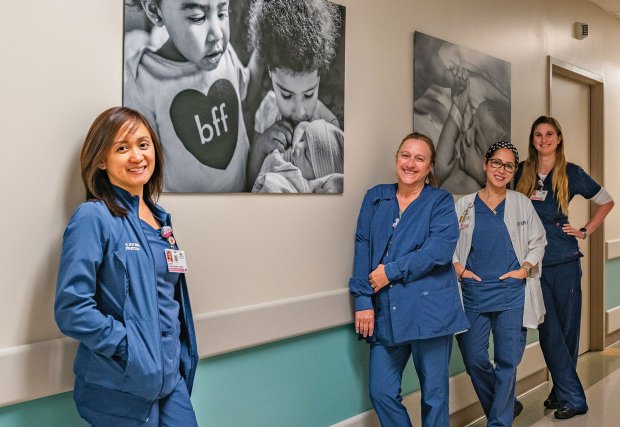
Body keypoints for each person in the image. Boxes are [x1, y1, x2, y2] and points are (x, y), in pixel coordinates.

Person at [55, 107, 199, 426]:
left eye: (143, 144)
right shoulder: (94, 218)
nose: (137, 156)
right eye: (122, 147)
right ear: (101, 160)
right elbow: (71, 308)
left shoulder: (162, 221)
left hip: (170, 379)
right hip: (123, 387)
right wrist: (130, 348)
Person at [349, 132, 469, 426]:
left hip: (430, 312)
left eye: (419, 158)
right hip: (386, 310)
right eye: (405, 155)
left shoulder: (440, 202)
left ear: (430, 168)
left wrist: (389, 271)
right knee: (381, 391)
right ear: (396, 159)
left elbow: (438, 252)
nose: (410, 163)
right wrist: (363, 299)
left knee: (434, 395)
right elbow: (362, 245)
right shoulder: (376, 197)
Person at [515, 116, 614, 420]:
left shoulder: (570, 173)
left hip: (564, 260)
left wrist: (584, 230)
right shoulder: (522, 172)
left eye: (549, 134)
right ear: (532, 140)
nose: (543, 139)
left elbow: (606, 201)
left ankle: (561, 392)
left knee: (567, 331)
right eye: (537, 135)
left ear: (558, 138)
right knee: (548, 328)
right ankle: (573, 396)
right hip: (533, 263)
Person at [124, 0, 263, 192]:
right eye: (198, 18)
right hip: (188, 212)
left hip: (239, 197)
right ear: (156, 11)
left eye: (222, 13)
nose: (218, 34)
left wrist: (264, 47)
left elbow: (244, 97)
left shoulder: (222, 53)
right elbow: (140, 168)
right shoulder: (144, 81)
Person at [453, 141, 547, 426]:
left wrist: (525, 269)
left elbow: (538, 241)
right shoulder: (465, 205)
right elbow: (448, 245)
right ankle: (505, 403)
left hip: (510, 293)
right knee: (473, 358)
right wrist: (458, 268)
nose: (501, 169)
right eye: (497, 162)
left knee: (507, 361)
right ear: (485, 163)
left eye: (509, 165)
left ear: (514, 171)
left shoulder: (521, 203)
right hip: (473, 293)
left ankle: (499, 421)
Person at [246, 0, 342, 188]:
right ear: (270, 73)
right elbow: (249, 183)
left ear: (320, 76)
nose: (299, 111)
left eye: (308, 94)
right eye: (287, 95)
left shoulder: (328, 127)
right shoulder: (267, 109)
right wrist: (260, 146)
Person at [435, 66, 510, 194]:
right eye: (470, 125)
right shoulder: (458, 166)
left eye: (477, 144)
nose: (466, 134)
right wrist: (458, 108)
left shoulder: (487, 192)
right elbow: (440, 167)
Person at [252, 119, 344, 193]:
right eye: (302, 139)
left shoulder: (301, 186)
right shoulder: (288, 154)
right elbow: (303, 126)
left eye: (306, 155)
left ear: (317, 178)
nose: (297, 146)